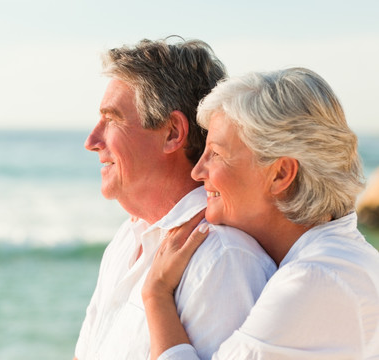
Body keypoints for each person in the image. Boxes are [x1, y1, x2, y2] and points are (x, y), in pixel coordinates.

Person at [143, 67, 379, 359]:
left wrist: (157, 294)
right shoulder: (343, 259)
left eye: (215, 153)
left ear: (280, 174)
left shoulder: (312, 279)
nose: (198, 170)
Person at [74, 37, 277, 360]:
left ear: (172, 133)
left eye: (111, 119)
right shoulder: (127, 239)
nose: (92, 140)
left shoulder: (224, 260)